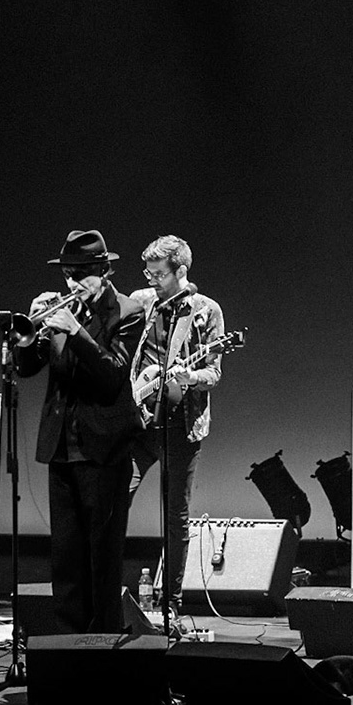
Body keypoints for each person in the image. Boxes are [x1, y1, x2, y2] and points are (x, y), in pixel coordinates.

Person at [11, 230, 144, 633]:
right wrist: (28, 337)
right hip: (61, 448)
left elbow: (111, 376)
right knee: (65, 558)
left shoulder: (128, 310)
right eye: (68, 274)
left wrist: (76, 330)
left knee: (102, 558)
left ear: (104, 271)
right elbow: (27, 368)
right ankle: (68, 647)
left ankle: (103, 647)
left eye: (81, 274)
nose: (72, 284)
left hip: (104, 449)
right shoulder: (58, 312)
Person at [126, 235, 226, 624]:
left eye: (159, 273)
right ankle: (106, 596)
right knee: (118, 498)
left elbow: (213, 373)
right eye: (148, 272)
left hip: (182, 425)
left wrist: (189, 375)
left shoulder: (205, 311)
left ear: (181, 271)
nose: (151, 279)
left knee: (175, 516)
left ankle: (171, 602)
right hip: (139, 422)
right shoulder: (142, 302)